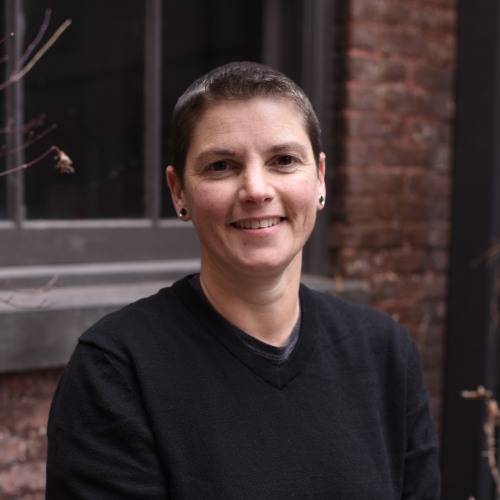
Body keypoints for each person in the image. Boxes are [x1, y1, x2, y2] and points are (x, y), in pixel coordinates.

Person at [46, 61, 440, 498]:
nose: (256, 189)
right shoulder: (117, 371)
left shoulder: (385, 354)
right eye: (221, 166)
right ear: (179, 192)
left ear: (320, 178)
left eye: (284, 160)